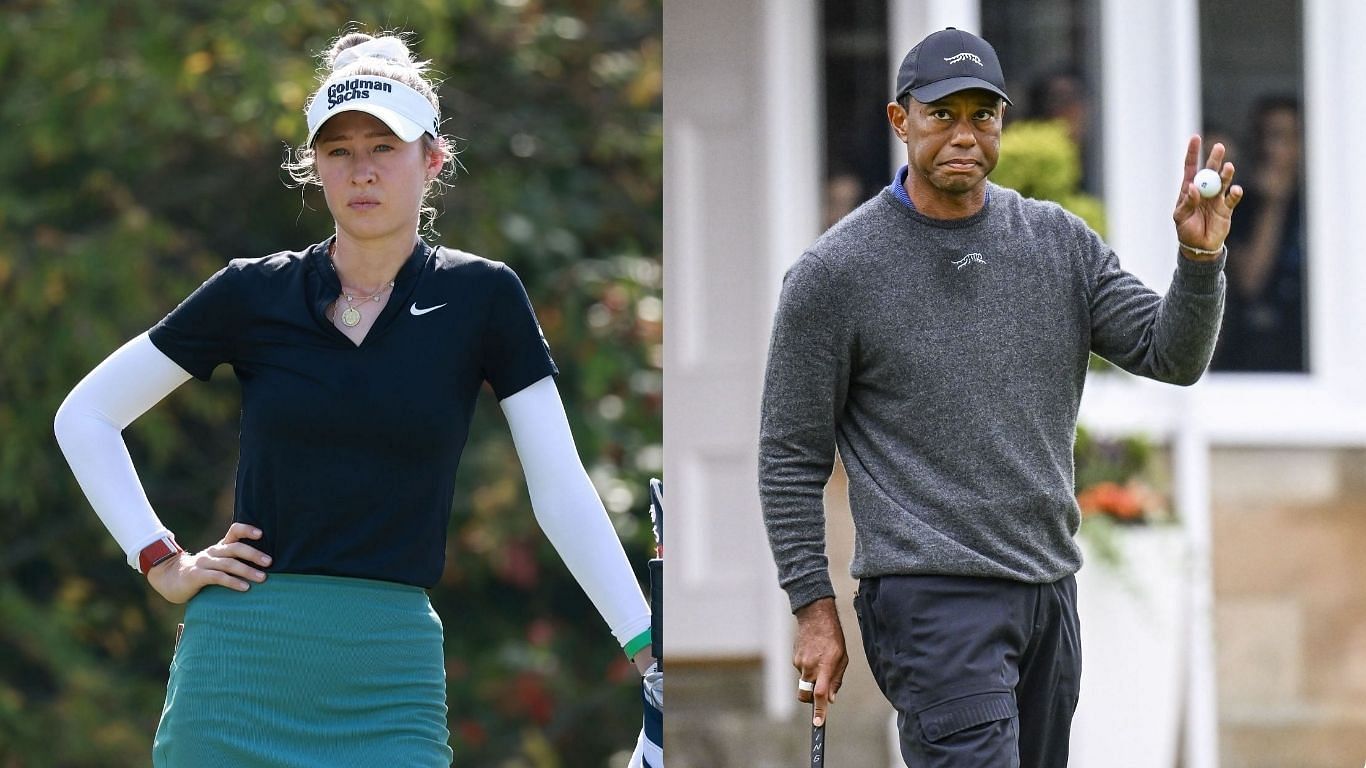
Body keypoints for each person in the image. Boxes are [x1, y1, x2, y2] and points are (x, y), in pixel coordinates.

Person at [53, 30, 655, 767]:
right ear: (314, 166)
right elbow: (85, 417)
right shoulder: (253, 291)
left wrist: (645, 642)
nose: (361, 171)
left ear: (431, 160)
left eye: (384, 147)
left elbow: (559, 488)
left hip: (387, 675)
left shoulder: (483, 297)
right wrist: (161, 560)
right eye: (338, 151)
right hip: (236, 669)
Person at [758, 27, 1240, 767]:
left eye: (983, 115)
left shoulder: (1058, 245)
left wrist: (1200, 260)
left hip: (1048, 588)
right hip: (932, 603)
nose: (964, 133)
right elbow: (790, 455)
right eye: (942, 113)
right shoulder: (834, 275)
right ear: (900, 120)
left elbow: (1168, 354)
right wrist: (812, 609)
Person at [1211, 95, 1305, 371]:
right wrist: (1271, 207)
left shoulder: (1322, 208)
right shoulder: (1240, 204)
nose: (1268, 148)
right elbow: (1250, 282)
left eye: (1280, 137)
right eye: (1261, 136)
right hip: (1250, 353)